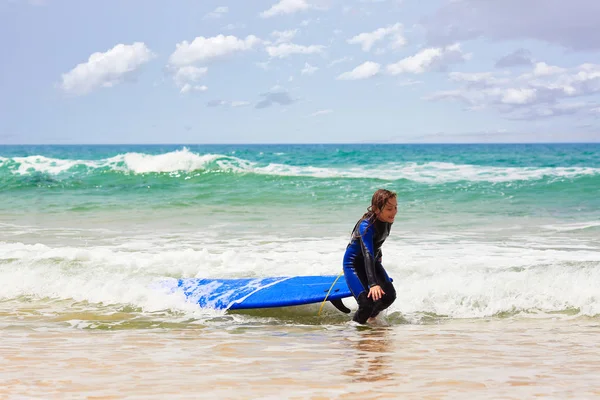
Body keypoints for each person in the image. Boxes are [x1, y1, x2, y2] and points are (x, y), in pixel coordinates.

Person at [343, 189, 397, 324]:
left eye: (396, 207)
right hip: (353, 264)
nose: (394, 212)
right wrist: (373, 284)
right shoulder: (366, 226)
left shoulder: (386, 220)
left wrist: (380, 257)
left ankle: (369, 320)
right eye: (390, 208)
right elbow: (367, 252)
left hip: (372, 260)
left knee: (389, 296)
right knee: (366, 305)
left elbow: (378, 242)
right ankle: (353, 331)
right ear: (376, 209)